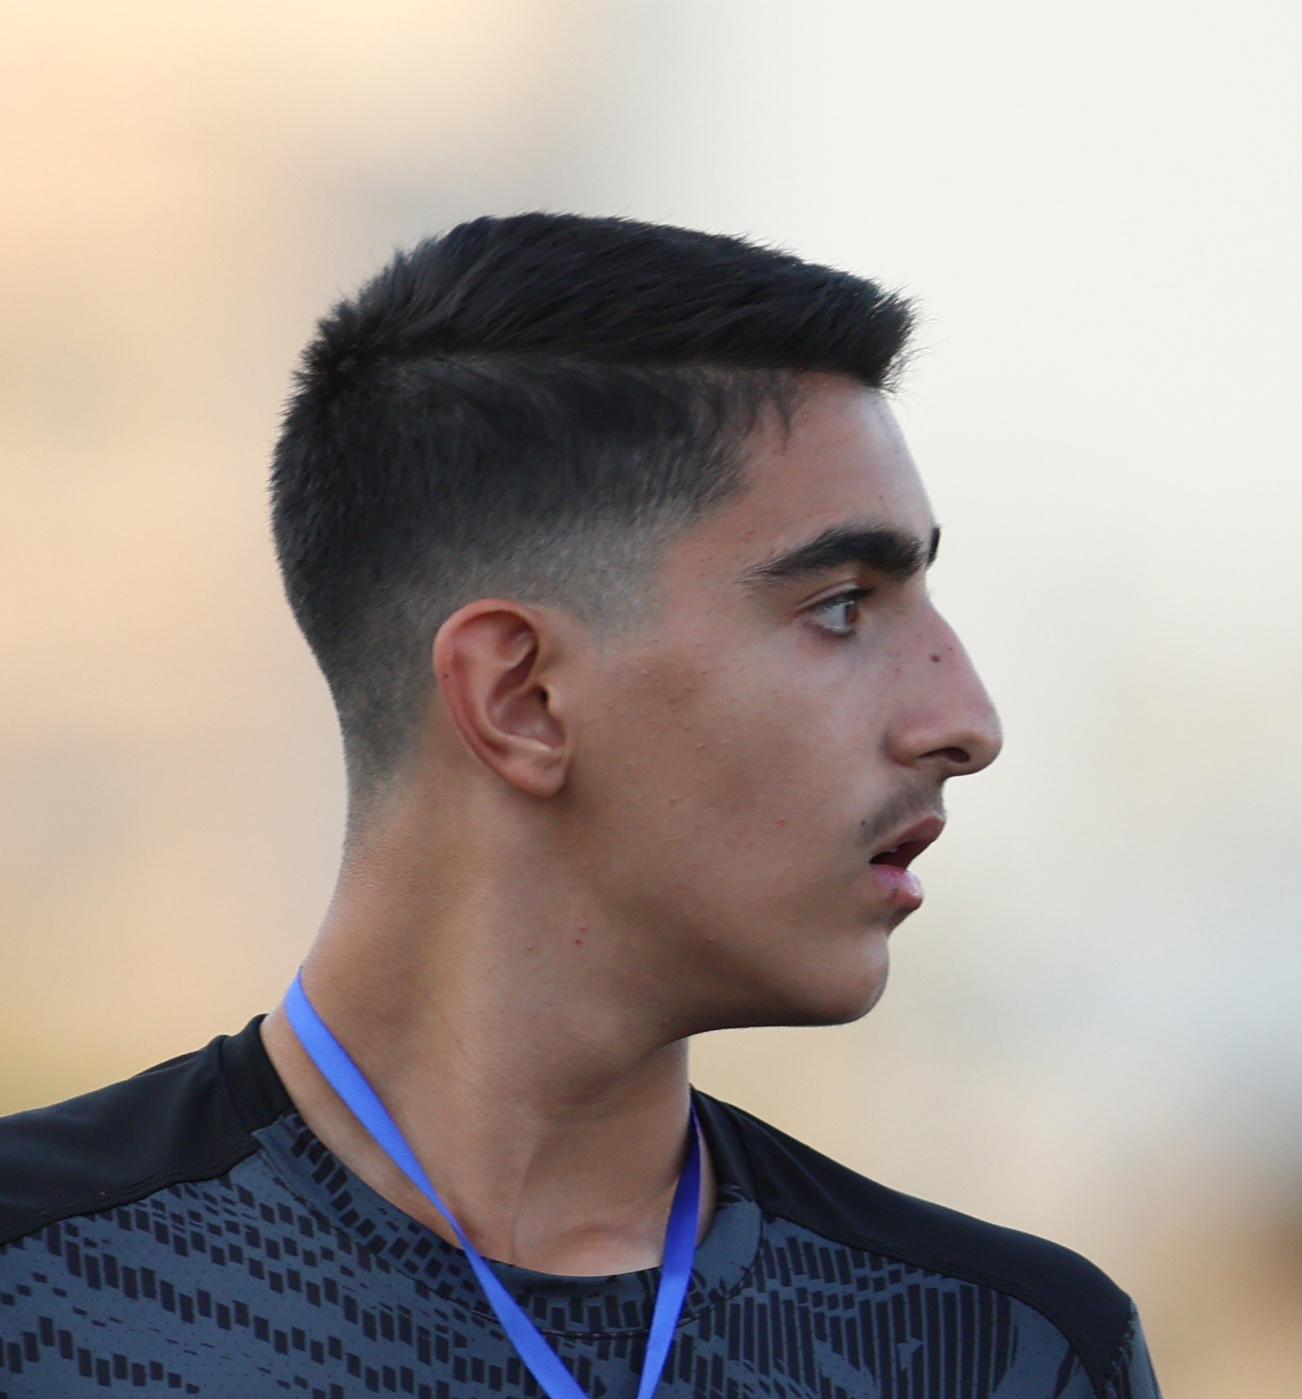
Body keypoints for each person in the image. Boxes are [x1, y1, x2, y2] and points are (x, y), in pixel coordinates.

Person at [0, 214, 1161, 1398]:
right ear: (524, 696)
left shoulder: (1003, 1349)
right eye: (842, 607)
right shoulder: (33, 1287)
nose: (966, 721)